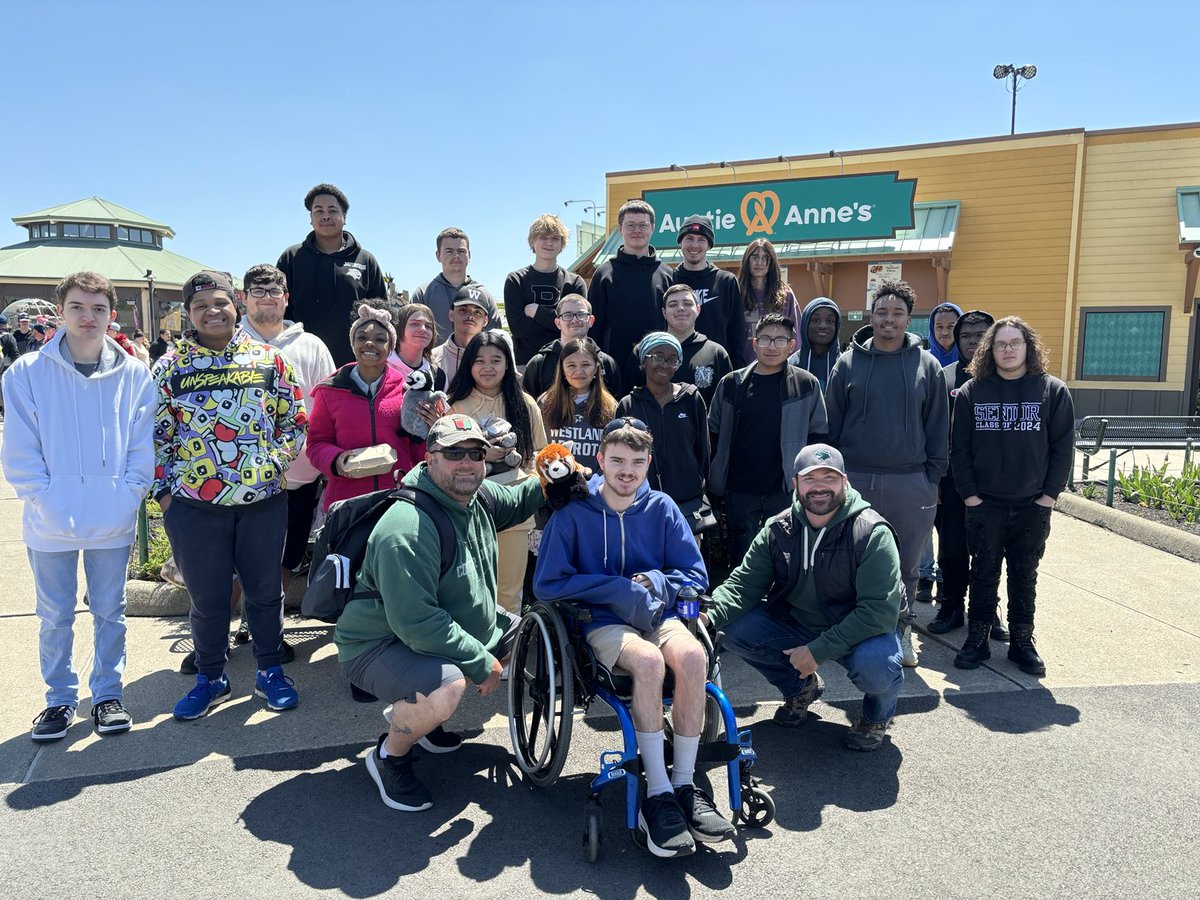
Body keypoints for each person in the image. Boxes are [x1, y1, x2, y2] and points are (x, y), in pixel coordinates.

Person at [535, 419, 734, 857]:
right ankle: (656, 793)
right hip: (603, 621)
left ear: (648, 464)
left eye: (637, 462)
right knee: (647, 663)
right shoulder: (572, 513)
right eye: (618, 461)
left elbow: (695, 575)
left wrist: (655, 583)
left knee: (696, 659)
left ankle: (684, 785)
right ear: (600, 460)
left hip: (657, 613)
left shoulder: (662, 508)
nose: (627, 471)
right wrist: (614, 588)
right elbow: (548, 584)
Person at [335, 414, 547, 812]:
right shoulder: (407, 528)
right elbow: (418, 622)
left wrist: (557, 476)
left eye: (475, 453)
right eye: (453, 453)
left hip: (431, 631)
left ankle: (427, 725)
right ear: (429, 459)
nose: (466, 462)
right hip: (376, 644)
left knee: (537, 634)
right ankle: (390, 754)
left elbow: (521, 500)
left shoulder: (476, 495)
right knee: (446, 687)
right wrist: (481, 660)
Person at [1, 272, 156, 741]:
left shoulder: (133, 374)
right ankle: (59, 699)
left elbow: (140, 447)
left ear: (112, 314)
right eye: (77, 307)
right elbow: (21, 450)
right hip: (50, 522)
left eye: (99, 309)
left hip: (112, 516)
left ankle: (107, 693)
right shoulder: (25, 374)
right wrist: (43, 499)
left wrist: (129, 493)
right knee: (54, 614)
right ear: (60, 311)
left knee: (111, 610)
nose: (88, 317)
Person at [153, 270, 307, 721]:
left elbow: (293, 419)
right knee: (208, 599)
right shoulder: (170, 367)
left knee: (264, 593)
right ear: (188, 313)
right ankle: (211, 678)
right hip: (194, 507)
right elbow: (155, 435)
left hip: (262, 502)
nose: (211, 311)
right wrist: (165, 495)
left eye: (219, 302)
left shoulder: (267, 359)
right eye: (200, 305)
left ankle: (269, 672)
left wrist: (274, 465)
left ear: (235, 304)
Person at [706, 444, 904, 752]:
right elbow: (743, 585)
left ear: (845, 482)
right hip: (799, 624)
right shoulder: (777, 529)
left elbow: (878, 613)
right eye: (810, 478)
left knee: (878, 665)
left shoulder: (871, 533)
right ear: (795, 483)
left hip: (860, 632)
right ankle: (801, 688)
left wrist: (818, 650)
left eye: (830, 477)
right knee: (729, 627)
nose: (820, 486)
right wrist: (705, 617)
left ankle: (876, 717)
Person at [825, 280, 949, 668]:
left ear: (909, 320)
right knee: (849, 559)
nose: (888, 319)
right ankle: (852, 631)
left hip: (910, 481)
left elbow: (938, 426)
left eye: (897, 313)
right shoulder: (847, 363)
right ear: (871, 316)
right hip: (856, 480)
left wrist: (931, 478)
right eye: (882, 312)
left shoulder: (927, 365)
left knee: (906, 562)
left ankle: (900, 629)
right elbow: (831, 425)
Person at [951, 317, 1074, 675]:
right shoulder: (973, 391)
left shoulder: (1052, 391)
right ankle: (978, 638)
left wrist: (1048, 497)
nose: (1007, 350)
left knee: (1024, 575)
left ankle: (1022, 641)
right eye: (1001, 344)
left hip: (1032, 505)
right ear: (990, 350)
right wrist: (970, 497)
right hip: (984, 504)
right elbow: (959, 449)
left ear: (1028, 347)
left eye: (1015, 343)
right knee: (983, 574)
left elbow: (1062, 450)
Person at [238, 264, 336, 587]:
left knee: (287, 559)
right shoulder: (229, 343)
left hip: (299, 477)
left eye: (274, 291)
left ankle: (265, 629)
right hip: (239, 477)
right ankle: (226, 631)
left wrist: (326, 466)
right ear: (243, 297)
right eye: (258, 291)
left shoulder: (311, 345)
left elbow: (328, 405)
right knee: (237, 563)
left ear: (286, 298)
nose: (267, 298)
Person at [708, 314, 828, 565]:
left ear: (791, 345)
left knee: (785, 555)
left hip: (784, 487)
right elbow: (713, 432)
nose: (772, 346)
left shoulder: (807, 384)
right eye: (765, 339)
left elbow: (819, 436)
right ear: (754, 343)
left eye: (780, 340)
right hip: (740, 488)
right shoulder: (732, 384)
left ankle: (781, 602)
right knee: (742, 556)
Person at [446, 332, 547, 614]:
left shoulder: (526, 404)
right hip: (464, 510)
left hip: (515, 510)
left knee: (508, 590)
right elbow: (441, 462)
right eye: (479, 360)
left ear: (508, 364)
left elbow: (541, 455)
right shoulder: (454, 406)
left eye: (495, 360)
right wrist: (478, 454)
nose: (487, 367)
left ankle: (505, 656)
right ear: (468, 365)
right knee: (467, 589)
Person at [307, 304, 423, 511]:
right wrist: (337, 460)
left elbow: (418, 450)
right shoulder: (329, 391)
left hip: (397, 498)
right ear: (353, 343)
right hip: (346, 503)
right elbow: (316, 444)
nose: (370, 343)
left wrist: (428, 430)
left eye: (380, 339)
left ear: (391, 346)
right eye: (362, 337)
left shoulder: (407, 391)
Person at [928, 310, 1000, 637]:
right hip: (952, 483)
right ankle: (951, 606)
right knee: (952, 549)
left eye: (981, 334)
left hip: (997, 486)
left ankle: (987, 611)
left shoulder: (1008, 377)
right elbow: (934, 432)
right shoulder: (943, 378)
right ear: (957, 341)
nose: (973, 341)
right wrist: (936, 481)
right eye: (966, 336)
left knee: (990, 551)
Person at [278, 183, 387, 367]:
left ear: (344, 216)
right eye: (318, 210)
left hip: (355, 364)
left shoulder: (365, 260)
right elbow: (279, 309)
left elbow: (382, 314)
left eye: (332, 210)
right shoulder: (292, 258)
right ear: (310, 218)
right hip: (300, 363)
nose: (326, 216)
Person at [616, 332, 710, 514]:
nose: (665, 365)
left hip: (687, 503)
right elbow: (618, 454)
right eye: (658, 357)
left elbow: (703, 452)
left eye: (672, 359)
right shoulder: (629, 404)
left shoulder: (691, 399)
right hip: (640, 503)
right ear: (644, 361)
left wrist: (698, 487)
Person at [588, 200, 673, 385]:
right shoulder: (604, 274)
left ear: (652, 228)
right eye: (630, 225)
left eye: (643, 225)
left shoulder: (667, 274)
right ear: (620, 229)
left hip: (659, 367)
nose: (637, 230)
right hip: (613, 368)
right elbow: (594, 328)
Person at [915, 302, 963, 602]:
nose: (945, 332)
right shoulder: (923, 363)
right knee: (923, 522)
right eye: (939, 326)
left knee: (950, 527)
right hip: (926, 458)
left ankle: (946, 576)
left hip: (959, 464)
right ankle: (925, 574)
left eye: (951, 326)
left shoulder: (972, 365)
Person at [504, 214, 587, 366]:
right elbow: (518, 329)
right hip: (526, 364)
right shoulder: (516, 280)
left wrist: (538, 312)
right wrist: (559, 322)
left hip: (567, 364)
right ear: (532, 242)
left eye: (555, 238)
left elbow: (577, 327)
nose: (549, 243)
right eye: (543, 237)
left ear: (562, 244)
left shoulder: (574, 283)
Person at [670, 215, 748, 368]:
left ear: (709, 245)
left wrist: (737, 371)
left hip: (717, 367)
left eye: (701, 240)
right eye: (689, 238)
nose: (694, 245)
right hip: (675, 367)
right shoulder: (669, 279)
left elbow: (737, 331)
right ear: (680, 242)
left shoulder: (726, 281)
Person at [536, 336, 617, 476]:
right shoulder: (545, 402)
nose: (579, 371)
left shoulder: (611, 406)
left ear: (596, 366)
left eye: (585, 365)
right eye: (571, 365)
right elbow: (537, 448)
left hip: (594, 485)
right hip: (554, 484)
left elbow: (614, 453)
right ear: (562, 369)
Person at [521, 294, 620, 401]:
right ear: (558, 323)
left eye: (581, 314)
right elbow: (529, 409)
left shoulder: (607, 363)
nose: (575, 320)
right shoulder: (538, 364)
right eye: (568, 315)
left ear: (591, 321)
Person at [410, 227, 503, 339]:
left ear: (469, 255)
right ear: (438, 255)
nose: (456, 256)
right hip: (434, 356)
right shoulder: (422, 294)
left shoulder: (484, 295)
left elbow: (495, 339)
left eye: (461, 251)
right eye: (449, 251)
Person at [738, 239, 801, 365]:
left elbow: (796, 336)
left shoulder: (785, 294)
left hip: (779, 370)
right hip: (741, 369)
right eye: (754, 257)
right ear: (747, 261)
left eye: (765, 258)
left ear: (771, 262)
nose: (760, 262)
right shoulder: (735, 292)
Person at [432, 286, 490, 386]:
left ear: (485, 320)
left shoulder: (494, 359)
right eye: (463, 310)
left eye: (477, 312)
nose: (470, 316)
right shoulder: (432, 358)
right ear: (451, 315)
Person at [787, 296, 844, 391]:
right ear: (805, 324)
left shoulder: (844, 367)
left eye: (830, 321)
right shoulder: (790, 366)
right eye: (816, 320)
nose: (823, 326)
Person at [387, 303, 445, 388]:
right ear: (398, 328)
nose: (423, 329)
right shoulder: (380, 368)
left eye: (428, 326)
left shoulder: (438, 376)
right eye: (415, 324)